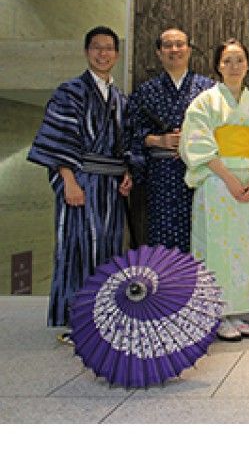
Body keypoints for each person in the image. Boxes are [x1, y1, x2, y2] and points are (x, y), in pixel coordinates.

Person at [27, 26, 133, 343]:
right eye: (96, 47)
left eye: (109, 48)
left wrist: (127, 171)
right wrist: (68, 179)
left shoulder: (119, 98)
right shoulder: (69, 92)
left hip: (110, 187)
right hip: (80, 181)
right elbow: (60, 139)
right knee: (78, 245)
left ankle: (104, 317)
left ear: (116, 54)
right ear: (87, 52)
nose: (103, 53)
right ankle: (77, 321)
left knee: (109, 248)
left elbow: (124, 142)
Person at [179, 38, 249, 342]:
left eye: (239, 60)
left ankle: (238, 310)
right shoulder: (205, 101)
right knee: (216, 245)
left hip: (248, 181)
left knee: (244, 247)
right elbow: (197, 143)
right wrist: (229, 178)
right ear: (218, 65)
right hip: (218, 180)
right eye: (227, 60)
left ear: (248, 65)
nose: (234, 66)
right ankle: (216, 313)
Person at [127, 28, 214, 253]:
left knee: (202, 236)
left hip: (200, 173)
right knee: (162, 239)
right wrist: (158, 140)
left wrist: (191, 145)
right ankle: (167, 288)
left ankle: (199, 288)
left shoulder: (208, 90)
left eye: (179, 44)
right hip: (161, 176)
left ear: (189, 50)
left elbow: (222, 132)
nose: (174, 50)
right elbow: (129, 133)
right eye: (167, 45)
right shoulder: (146, 91)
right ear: (158, 52)